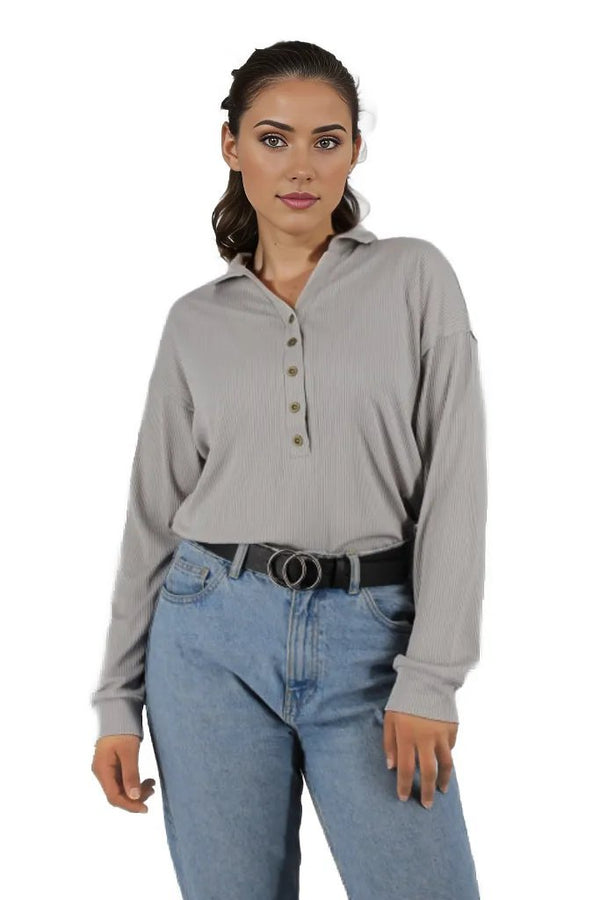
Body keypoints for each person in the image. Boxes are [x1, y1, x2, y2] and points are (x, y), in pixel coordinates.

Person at [90, 39, 487, 900]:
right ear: (231, 147)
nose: (300, 166)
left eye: (326, 140)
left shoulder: (415, 277)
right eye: (273, 139)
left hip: (374, 642)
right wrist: (117, 701)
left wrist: (431, 677)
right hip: (208, 640)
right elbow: (153, 515)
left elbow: (457, 485)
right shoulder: (195, 322)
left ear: (355, 150)